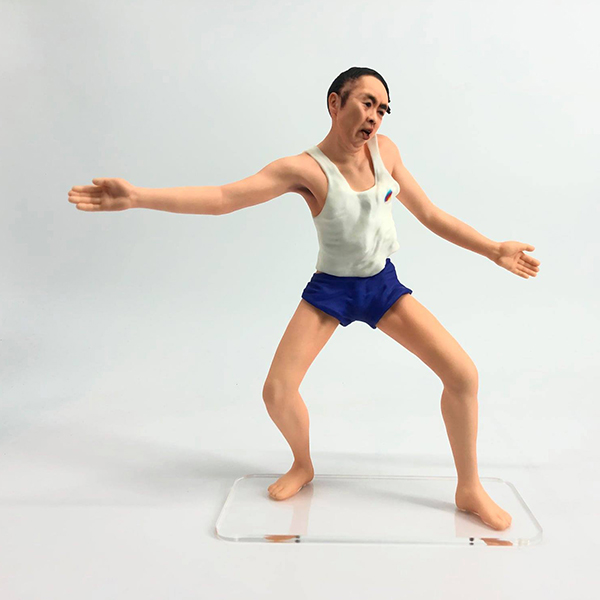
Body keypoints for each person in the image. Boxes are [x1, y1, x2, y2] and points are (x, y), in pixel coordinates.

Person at [68, 66, 540, 531]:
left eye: (383, 109)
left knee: (463, 375)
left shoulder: (387, 152)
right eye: (367, 102)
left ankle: (469, 487)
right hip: (331, 290)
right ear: (335, 103)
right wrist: (138, 197)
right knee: (277, 391)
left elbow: (431, 214)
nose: (375, 116)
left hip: (381, 287)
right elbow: (224, 197)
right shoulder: (303, 169)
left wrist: (493, 249)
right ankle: (302, 464)